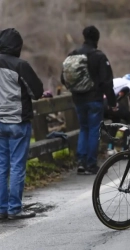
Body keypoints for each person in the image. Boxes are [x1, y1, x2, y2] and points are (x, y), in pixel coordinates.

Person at [61, 25, 117, 175]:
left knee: (84, 128)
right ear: (97, 38)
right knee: (93, 130)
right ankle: (91, 163)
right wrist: (112, 102)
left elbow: (63, 78)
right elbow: (107, 82)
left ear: (84, 37)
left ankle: (81, 161)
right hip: (94, 99)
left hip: (78, 99)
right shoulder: (98, 56)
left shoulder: (73, 55)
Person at [0, 28, 44, 220]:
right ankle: (14, 208)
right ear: (18, 46)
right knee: (17, 165)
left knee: (1, 166)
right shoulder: (20, 65)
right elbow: (37, 92)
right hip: (17, 121)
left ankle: (1, 208)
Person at [104, 74, 130, 156]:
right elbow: (124, 90)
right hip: (109, 102)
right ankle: (126, 149)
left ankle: (110, 148)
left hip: (101, 103)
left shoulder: (119, 80)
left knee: (116, 121)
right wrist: (115, 102)